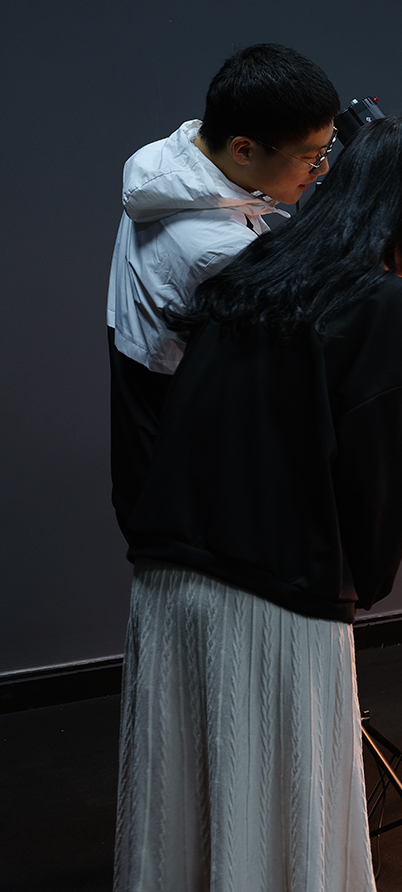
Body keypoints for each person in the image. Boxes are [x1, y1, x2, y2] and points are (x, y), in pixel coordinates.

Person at [111, 117, 402, 892]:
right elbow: (370, 482)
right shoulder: (384, 304)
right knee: (284, 827)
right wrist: (362, 582)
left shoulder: (253, 267)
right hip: (274, 594)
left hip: (170, 578)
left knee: (204, 818)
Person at [107, 43, 340, 541]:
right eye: (311, 157)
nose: (322, 170)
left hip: (152, 432)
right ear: (243, 150)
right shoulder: (217, 250)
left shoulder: (169, 162)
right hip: (187, 476)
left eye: (328, 148)